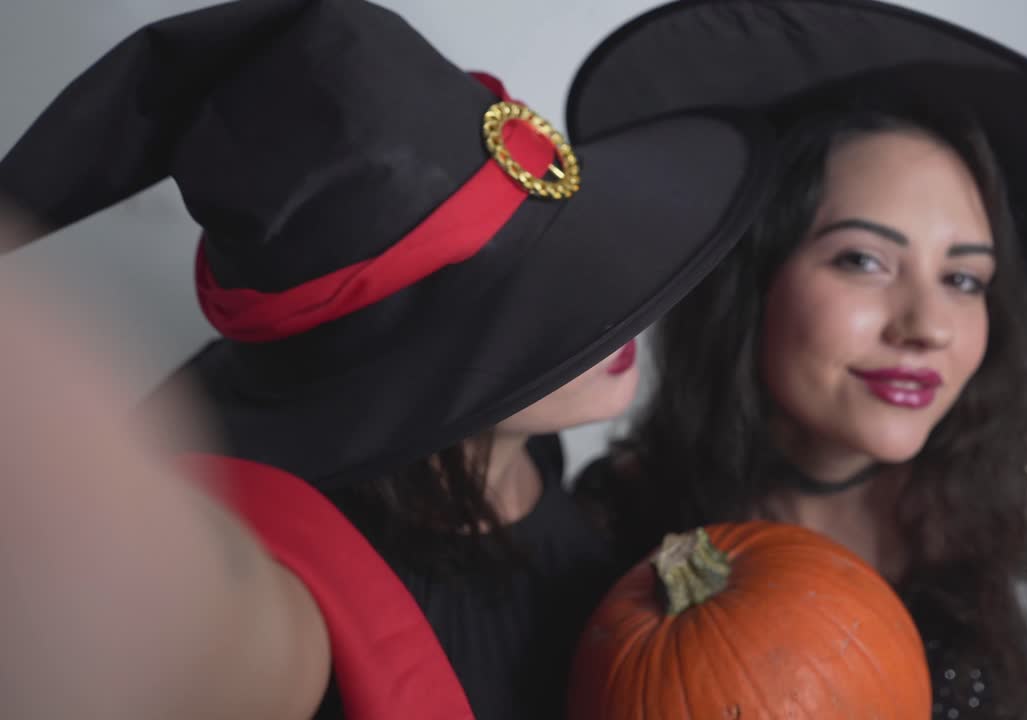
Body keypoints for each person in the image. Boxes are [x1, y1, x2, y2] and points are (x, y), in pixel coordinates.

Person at [0, 0, 772, 718]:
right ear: (406, 367)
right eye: (539, 307)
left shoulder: (534, 452)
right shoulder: (299, 596)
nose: (613, 310)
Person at [566, 1, 1027, 718]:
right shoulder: (622, 520)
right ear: (751, 283)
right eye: (864, 261)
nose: (928, 326)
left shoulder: (1012, 479)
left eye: (964, 279)